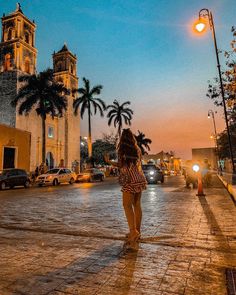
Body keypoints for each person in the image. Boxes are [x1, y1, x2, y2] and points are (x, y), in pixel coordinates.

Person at [104, 128, 147, 248]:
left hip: (129, 180)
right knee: (137, 205)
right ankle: (137, 231)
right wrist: (111, 162)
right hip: (139, 178)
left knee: (126, 205)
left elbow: (122, 165)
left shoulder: (122, 150)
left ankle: (133, 232)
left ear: (122, 139)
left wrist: (109, 162)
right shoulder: (137, 149)